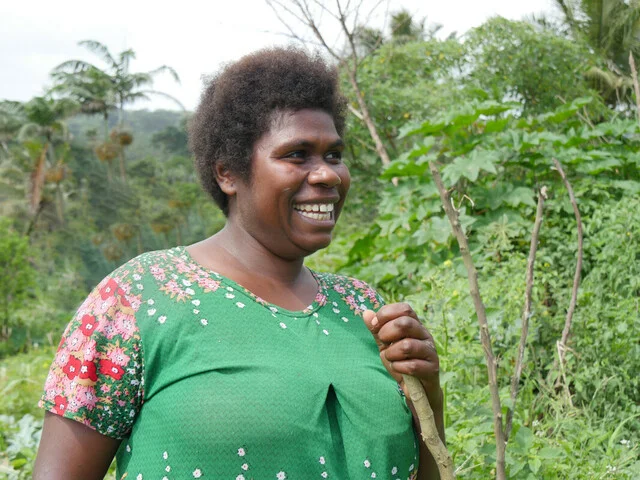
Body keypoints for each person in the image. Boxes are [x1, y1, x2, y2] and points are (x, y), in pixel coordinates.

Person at [34, 47, 444, 480]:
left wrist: (427, 391)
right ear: (228, 173)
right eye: (297, 155)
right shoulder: (136, 299)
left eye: (334, 156)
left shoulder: (363, 307)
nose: (326, 174)